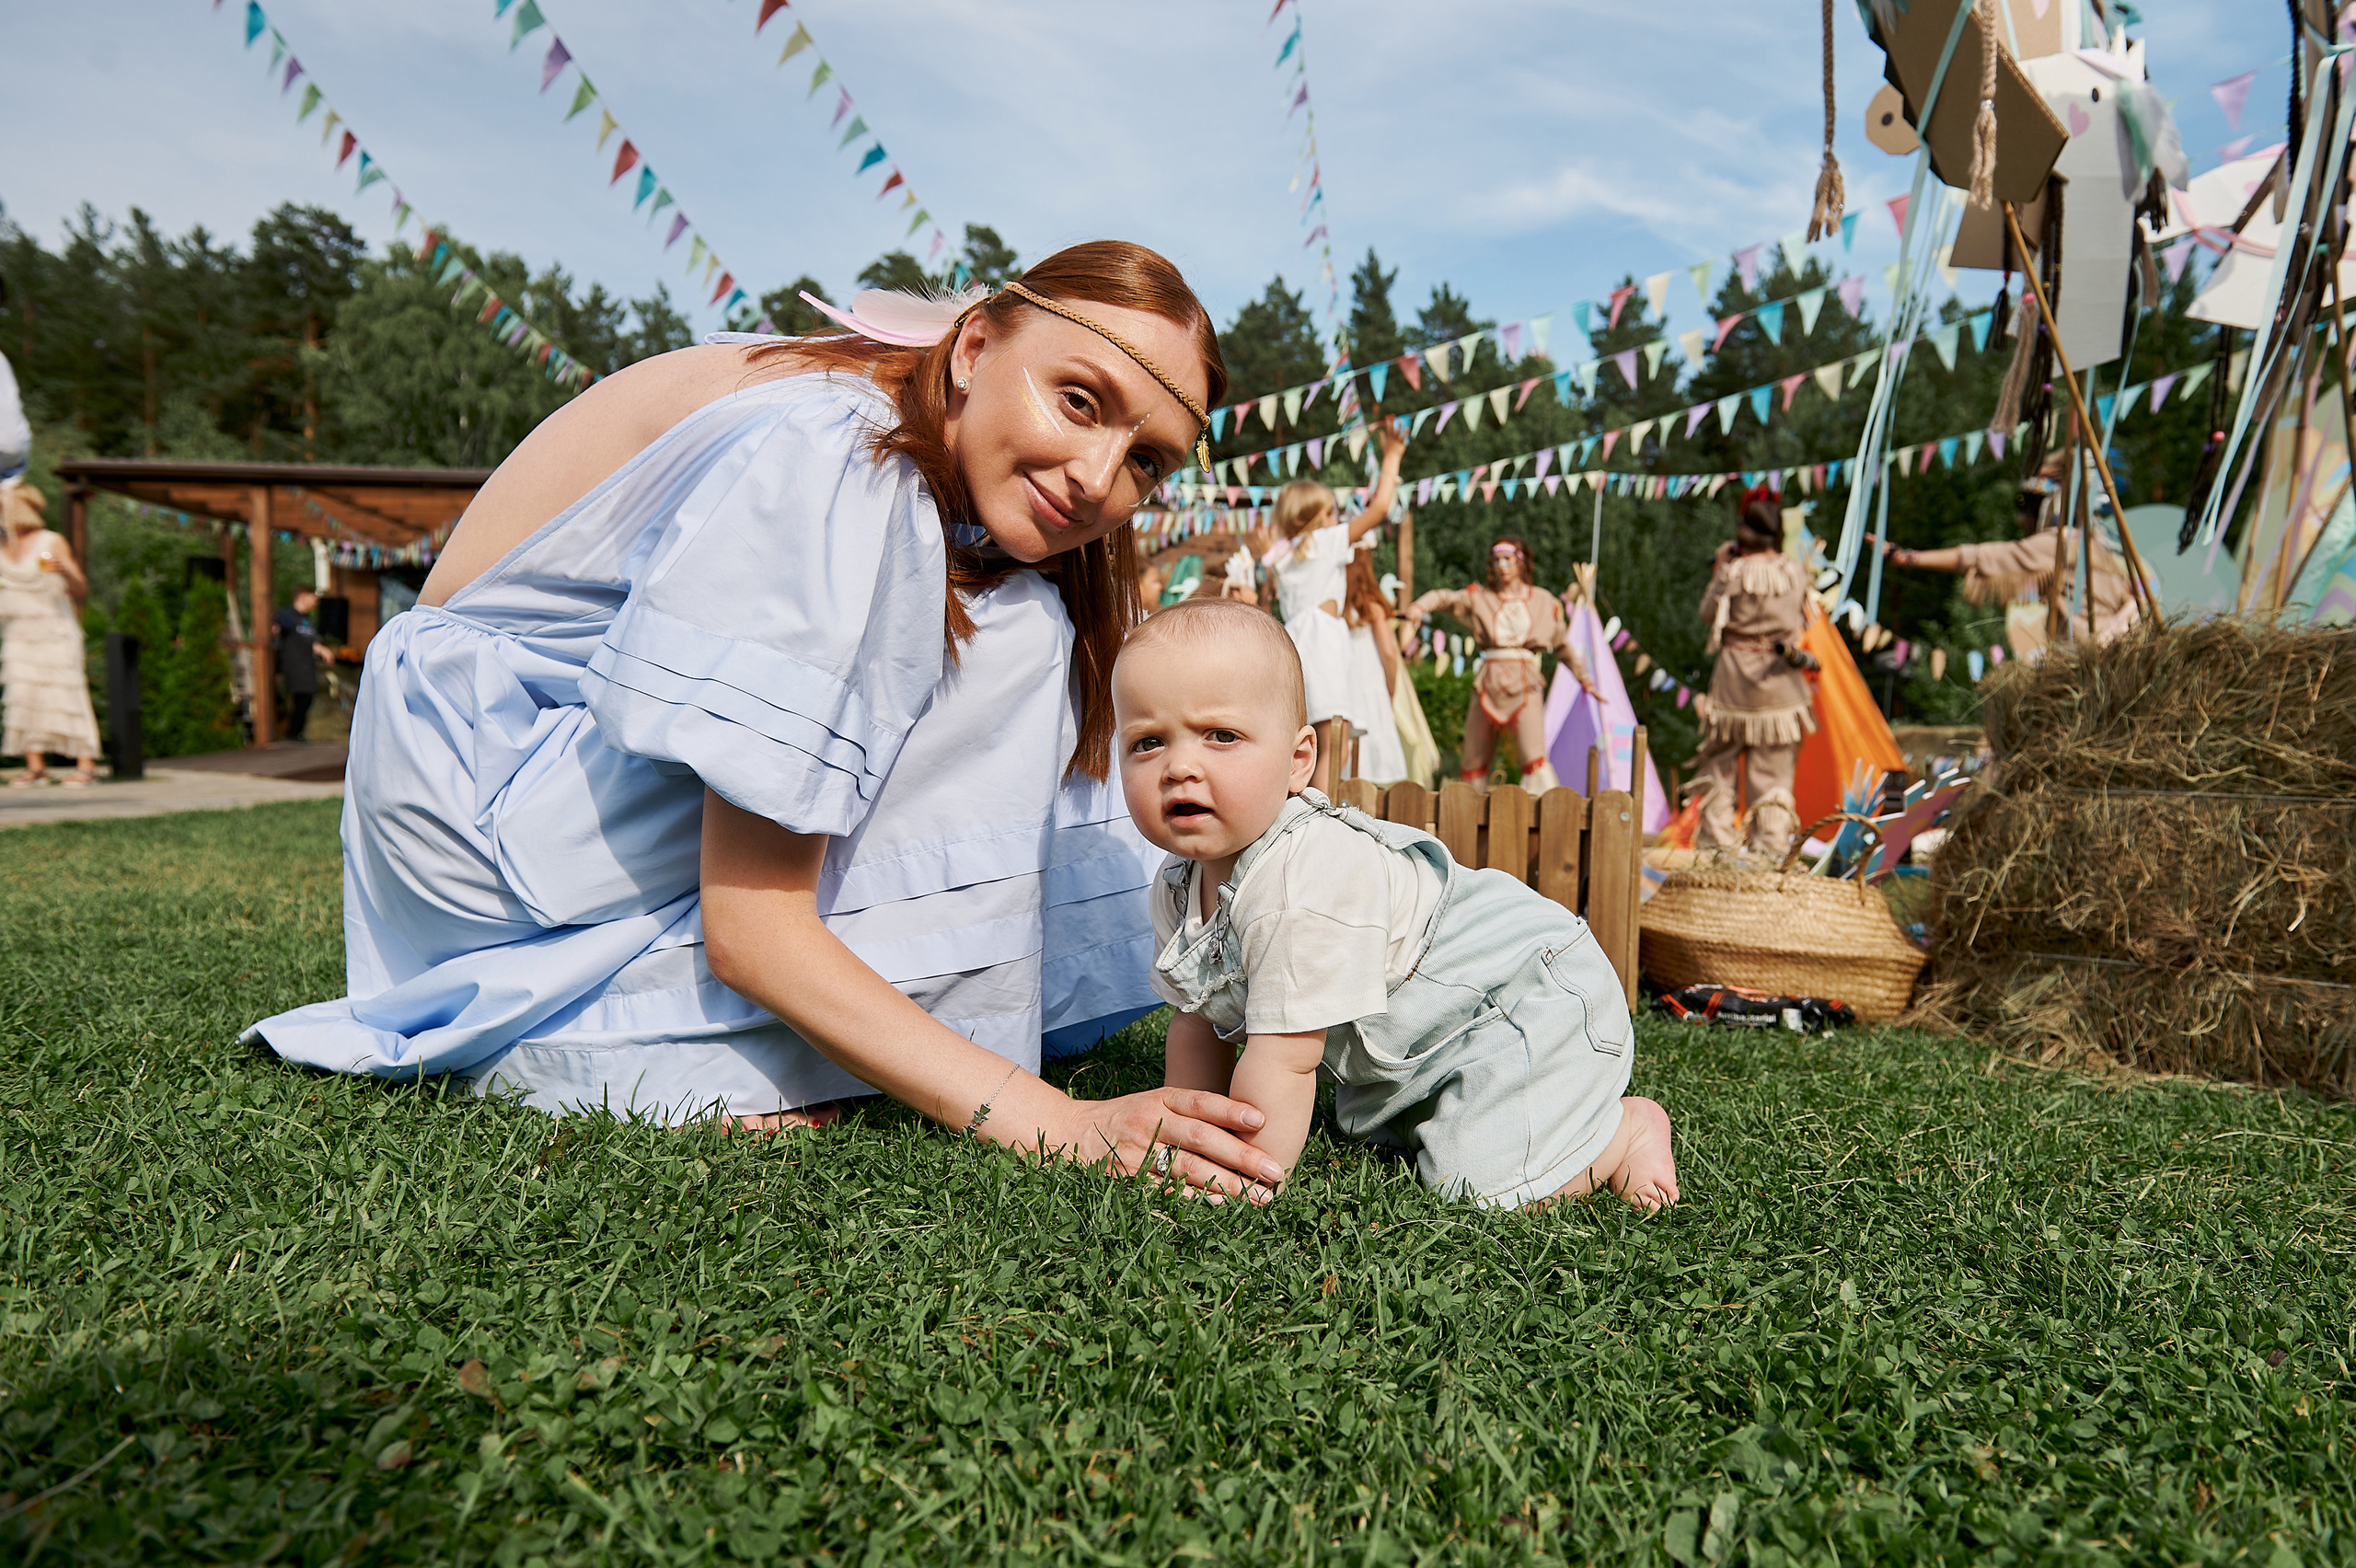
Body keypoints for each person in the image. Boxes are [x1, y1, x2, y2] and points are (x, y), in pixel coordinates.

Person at [245, 241, 1290, 1202]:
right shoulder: (837, 456)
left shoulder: (896, 428)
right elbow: (751, 929)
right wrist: (1056, 1123)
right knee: (1009, 634)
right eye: (1078, 400)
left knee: (1020, 616)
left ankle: (798, 1035)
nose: (1099, 479)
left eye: (1147, 460)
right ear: (973, 346)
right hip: (485, 800)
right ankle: (683, 1047)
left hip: (535, 779)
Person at [1114, 598, 1678, 1210]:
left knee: (1475, 1189)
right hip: (1429, 1039)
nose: (1180, 767)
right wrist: (1190, 1136)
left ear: (1299, 761)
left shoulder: (1302, 882)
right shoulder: (1177, 885)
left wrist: (1241, 1178)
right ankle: (1460, 1106)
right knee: (1400, 1140)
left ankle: (1624, 1133)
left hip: (1523, 999)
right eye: (1148, 742)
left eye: (1221, 736)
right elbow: (1197, 1022)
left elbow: (1284, 1058)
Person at [1882, 451, 2140, 658]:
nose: (2022, 518)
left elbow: (1984, 558)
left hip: (2087, 660)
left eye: (2030, 506)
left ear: (2052, 504)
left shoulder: (2058, 543)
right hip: (2114, 661)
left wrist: (1908, 557)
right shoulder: (2098, 547)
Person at [1404, 536, 1599, 793]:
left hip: (1525, 683)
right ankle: (1468, 808)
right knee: (1473, 758)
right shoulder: (1480, 598)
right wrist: (1419, 607)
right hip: (1488, 683)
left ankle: (1542, 810)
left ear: (1521, 562)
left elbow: (1563, 646)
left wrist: (1585, 679)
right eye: (1496, 561)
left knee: (1534, 755)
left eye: (1507, 559)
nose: (1501, 566)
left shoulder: (1544, 601)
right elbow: (1444, 597)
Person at [1692, 487, 1817, 857]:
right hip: (1779, 683)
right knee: (1774, 773)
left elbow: (1707, 614)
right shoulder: (1794, 571)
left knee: (1719, 766)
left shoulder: (1732, 572)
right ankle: (1771, 851)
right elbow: (1804, 619)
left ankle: (1716, 851)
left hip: (1733, 682)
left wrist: (1720, 567)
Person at [1264, 422, 1406, 743]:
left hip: (1295, 644)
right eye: (1332, 513)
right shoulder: (1325, 542)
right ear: (1315, 518)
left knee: (1312, 740)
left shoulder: (1282, 557)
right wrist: (1392, 457)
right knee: (1334, 741)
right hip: (1322, 644)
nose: (1337, 519)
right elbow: (1379, 509)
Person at [0, 481, 101, 787]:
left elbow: (81, 588)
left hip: (55, 630)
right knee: (23, 696)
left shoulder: (51, 541)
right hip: (18, 633)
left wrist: (64, 571)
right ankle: (36, 767)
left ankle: (85, 764)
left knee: (66, 694)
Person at [1340, 539, 1409, 783]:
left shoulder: (1334, 606)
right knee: (1373, 761)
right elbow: (1389, 653)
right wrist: (1391, 688)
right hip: (1370, 685)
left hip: (1342, 685)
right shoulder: (1372, 606)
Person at [272, 588, 332, 742]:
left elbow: (312, 641)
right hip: (290, 665)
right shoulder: (286, 615)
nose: (316, 602)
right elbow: (275, 631)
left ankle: (295, 734)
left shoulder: (307, 619)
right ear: (303, 596)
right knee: (291, 700)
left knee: (307, 697)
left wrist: (323, 651)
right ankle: (288, 734)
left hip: (306, 665)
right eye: (314, 598)